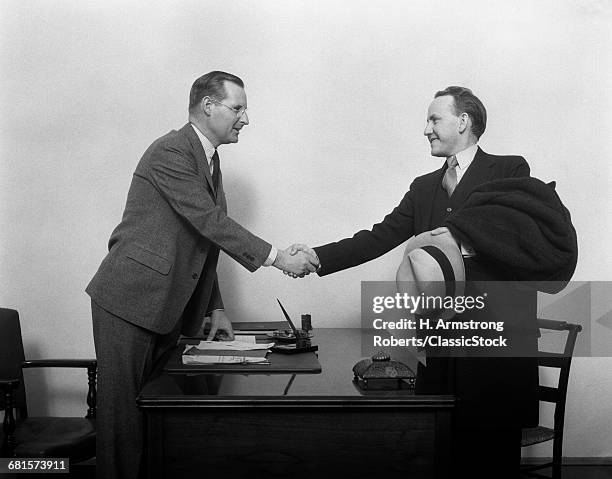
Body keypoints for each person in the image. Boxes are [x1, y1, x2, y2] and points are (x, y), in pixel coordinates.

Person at [291, 86, 539, 477]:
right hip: (439, 348)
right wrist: (316, 257)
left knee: (492, 458)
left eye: (434, 119)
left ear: (464, 121)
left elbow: (514, 238)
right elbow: (379, 236)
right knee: (438, 451)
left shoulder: (510, 170)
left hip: (494, 350)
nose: (426, 129)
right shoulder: (424, 187)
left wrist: (446, 248)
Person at [86, 71, 319, 479]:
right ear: (208, 106)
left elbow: (204, 242)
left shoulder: (210, 161)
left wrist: (217, 308)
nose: (245, 118)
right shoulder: (171, 151)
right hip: (129, 300)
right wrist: (279, 257)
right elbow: (210, 221)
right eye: (238, 108)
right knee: (122, 419)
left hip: (165, 306)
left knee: (156, 412)